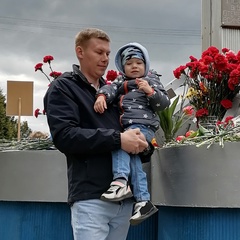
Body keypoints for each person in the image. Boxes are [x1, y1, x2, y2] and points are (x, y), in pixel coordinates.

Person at [43, 28, 153, 240]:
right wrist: (119, 140)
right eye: (99, 52)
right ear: (80, 52)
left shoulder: (116, 91)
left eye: (108, 54)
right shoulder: (63, 87)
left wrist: (145, 146)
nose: (105, 59)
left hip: (125, 200)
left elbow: (134, 135)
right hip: (91, 199)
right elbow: (65, 137)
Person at [94, 42, 170, 225]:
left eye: (138, 62)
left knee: (120, 143)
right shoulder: (121, 82)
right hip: (128, 126)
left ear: (146, 65)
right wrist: (102, 96)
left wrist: (150, 91)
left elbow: (164, 103)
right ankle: (143, 201)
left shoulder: (151, 80)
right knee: (134, 160)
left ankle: (120, 181)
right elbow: (110, 88)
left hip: (143, 126)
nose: (134, 66)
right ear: (123, 67)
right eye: (129, 64)